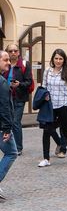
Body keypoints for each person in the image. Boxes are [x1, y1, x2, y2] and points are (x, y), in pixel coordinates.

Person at [38, 49, 67, 167]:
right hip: (50, 106)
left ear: (64, 60)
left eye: (60, 59)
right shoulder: (47, 71)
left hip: (64, 105)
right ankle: (46, 158)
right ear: (52, 59)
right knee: (47, 131)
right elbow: (44, 86)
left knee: (66, 131)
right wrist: (45, 95)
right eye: (56, 58)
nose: (58, 61)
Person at [4, 44, 32, 156]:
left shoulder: (24, 65)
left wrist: (19, 84)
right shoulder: (5, 65)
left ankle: (18, 147)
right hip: (6, 98)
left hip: (19, 97)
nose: (13, 53)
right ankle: (10, 145)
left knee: (15, 122)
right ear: (7, 52)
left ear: (19, 52)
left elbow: (29, 81)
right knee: (8, 122)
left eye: (15, 51)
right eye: (11, 51)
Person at [0, 50, 18, 200]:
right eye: (5, 59)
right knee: (12, 152)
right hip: (2, 127)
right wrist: (7, 128)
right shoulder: (2, 82)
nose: (8, 62)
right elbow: (5, 107)